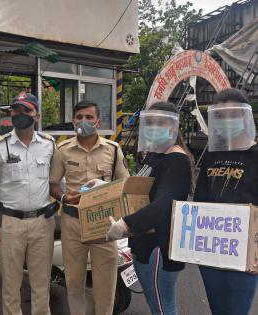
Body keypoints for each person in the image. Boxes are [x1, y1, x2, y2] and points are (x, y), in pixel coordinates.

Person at [107, 101, 192, 315]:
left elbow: (165, 203)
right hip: (144, 243)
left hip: (158, 247)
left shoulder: (176, 160)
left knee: (163, 307)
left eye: (160, 122)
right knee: (158, 305)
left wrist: (126, 224)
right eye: (150, 122)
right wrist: (104, 189)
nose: (154, 127)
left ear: (173, 126)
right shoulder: (155, 155)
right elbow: (137, 188)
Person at [0, 92, 57, 315]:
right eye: (16, 110)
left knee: (42, 286)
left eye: (26, 110)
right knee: (11, 287)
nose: (20, 115)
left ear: (37, 115)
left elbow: (56, 181)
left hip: (43, 223)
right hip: (10, 224)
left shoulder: (49, 145)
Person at [49, 101, 129, 315]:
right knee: (74, 280)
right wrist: (65, 197)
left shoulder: (112, 150)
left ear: (98, 122)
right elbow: (53, 184)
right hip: (72, 222)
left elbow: (125, 184)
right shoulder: (63, 150)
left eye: (89, 117)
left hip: (103, 223)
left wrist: (107, 190)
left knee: (106, 281)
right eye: (79, 117)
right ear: (73, 120)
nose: (84, 121)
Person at [194, 88, 258, 315]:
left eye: (232, 114)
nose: (225, 120)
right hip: (212, 252)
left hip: (245, 254)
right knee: (218, 310)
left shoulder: (255, 154)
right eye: (220, 116)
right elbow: (200, 199)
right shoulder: (212, 154)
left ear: (244, 116)